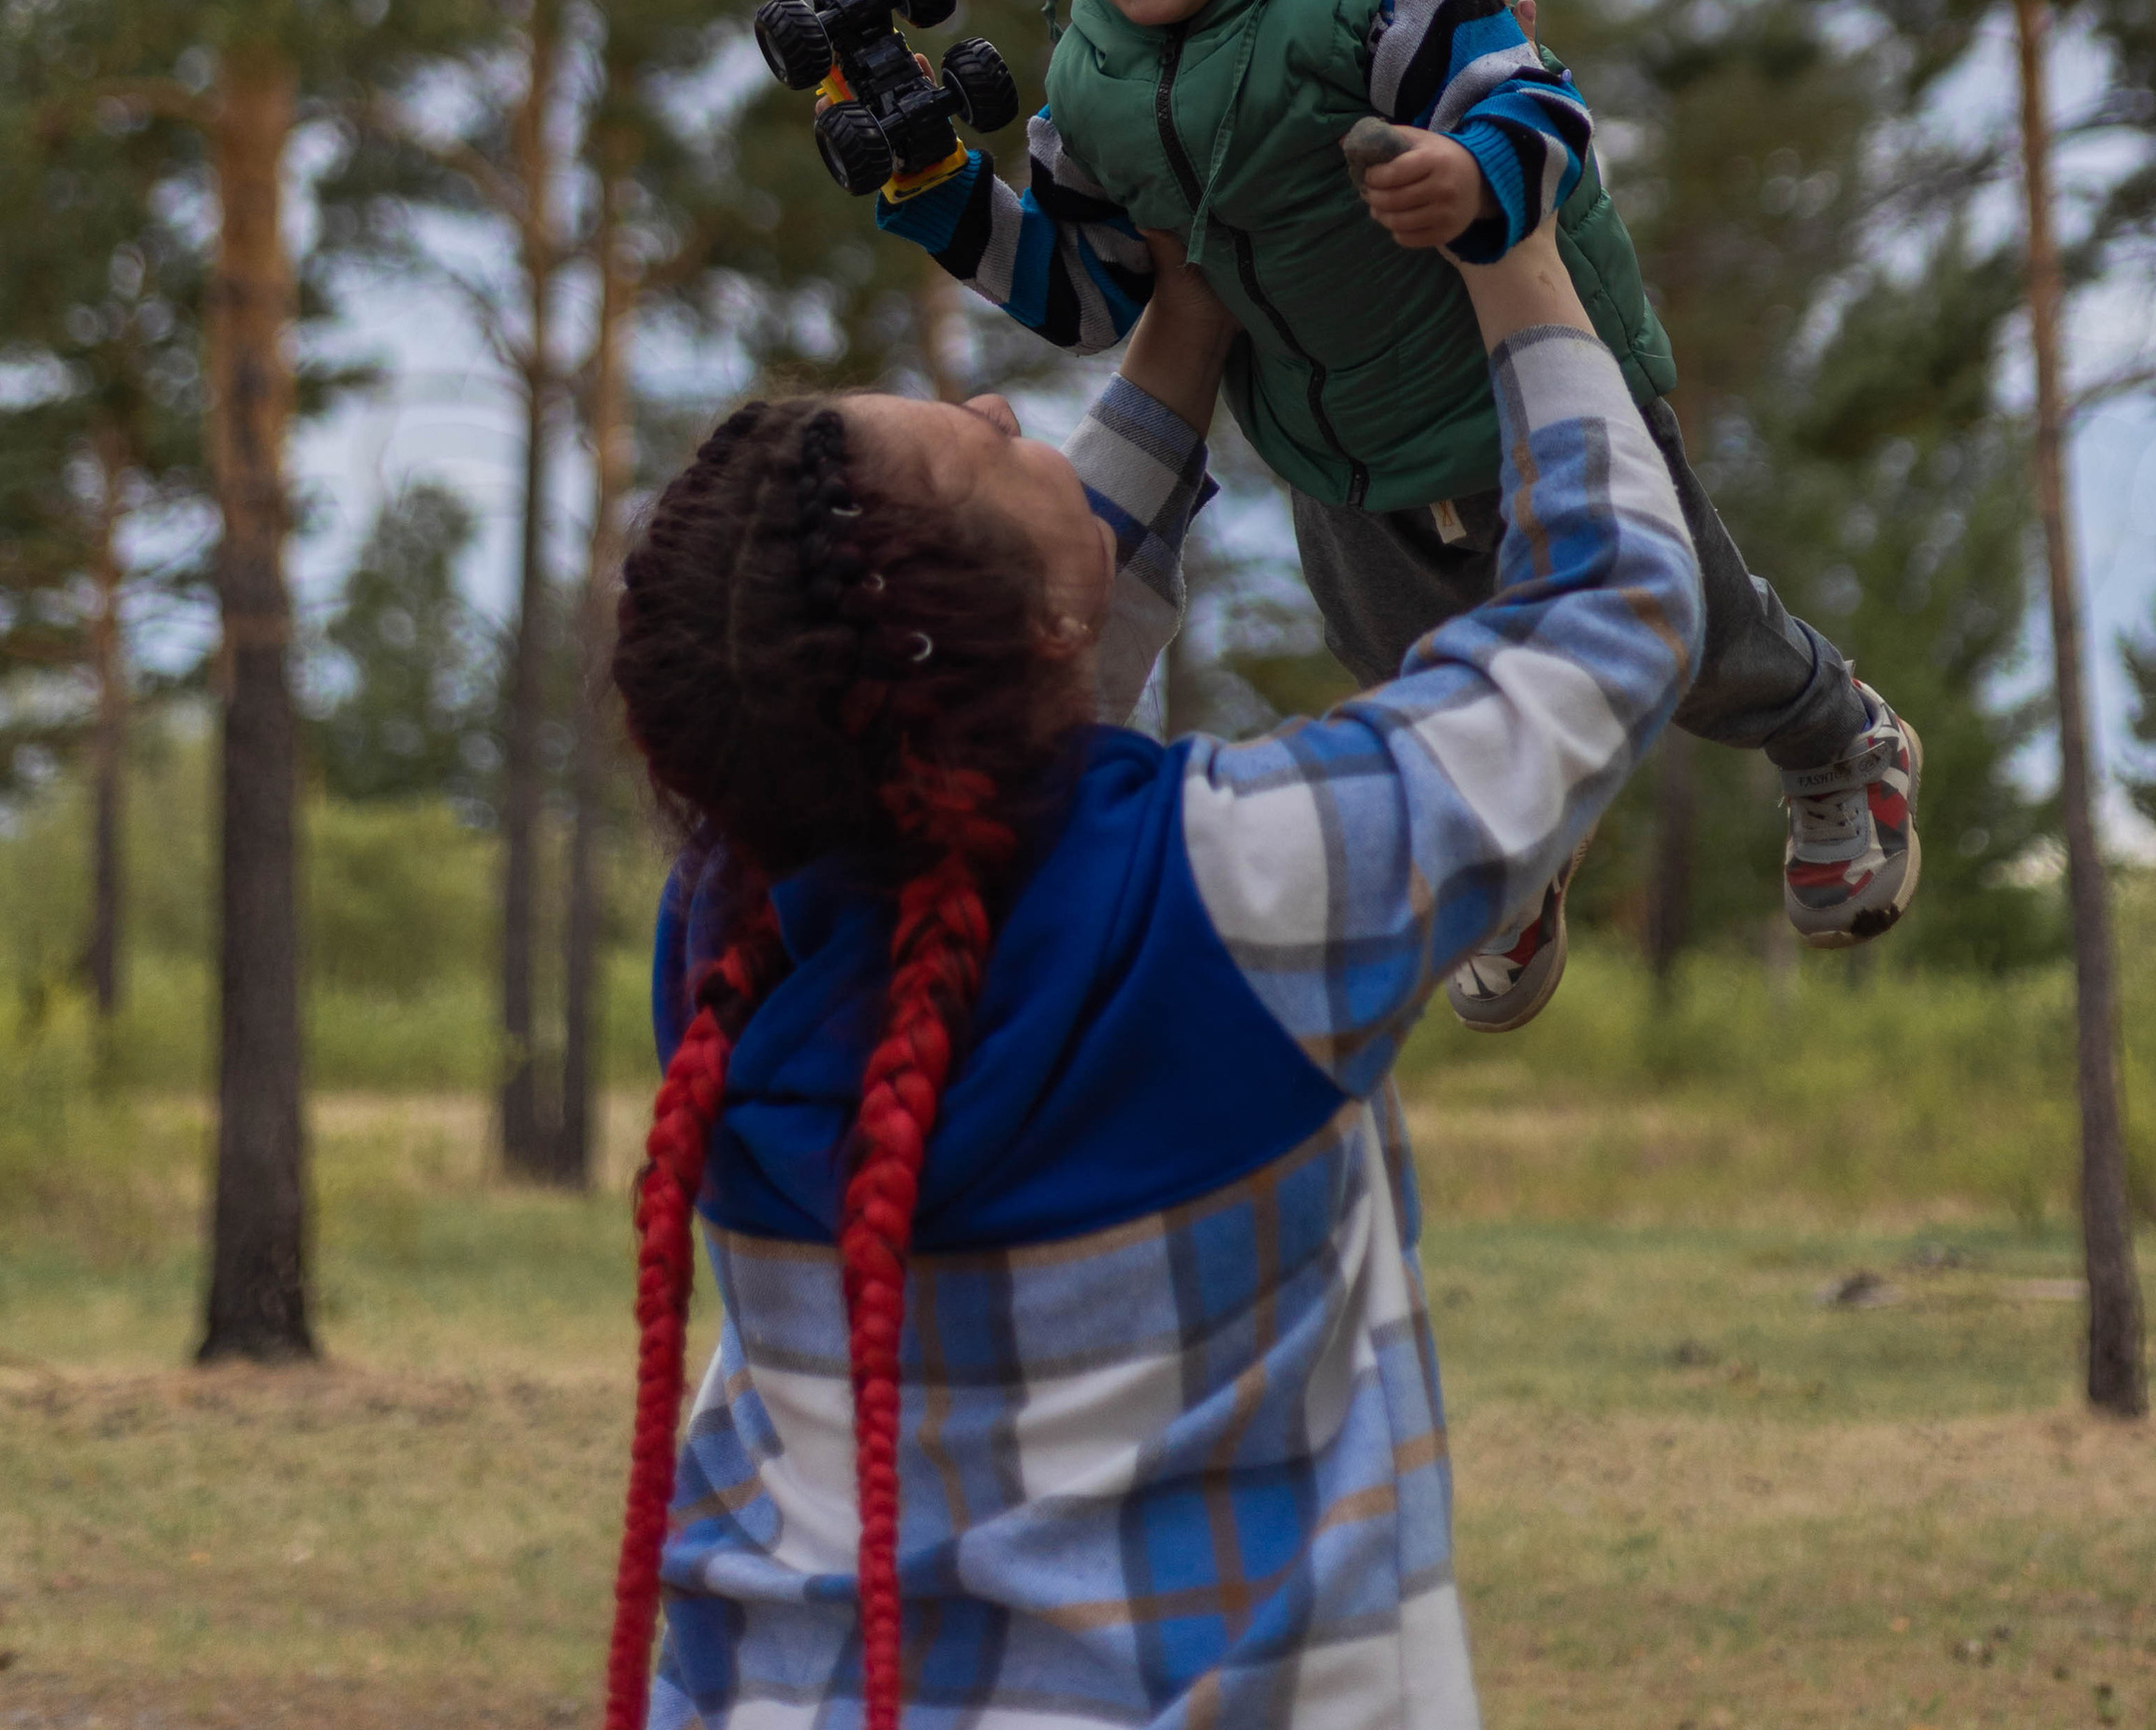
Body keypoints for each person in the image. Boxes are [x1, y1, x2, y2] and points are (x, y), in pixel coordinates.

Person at [607, 215, 1699, 1730]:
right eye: (984, 448)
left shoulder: (728, 936)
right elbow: (1612, 620)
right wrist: (1511, 249)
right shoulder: (1244, 896)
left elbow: (1005, 670)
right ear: (1029, 628)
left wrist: (1186, 321)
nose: (1002, 409)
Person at [801, 0, 1919, 1025]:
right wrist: (942, 192)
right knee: (1412, 684)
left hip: (1531, 401)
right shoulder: (1087, 81)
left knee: (1690, 642)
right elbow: (1097, 295)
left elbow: (1541, 104)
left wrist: (1472, 174)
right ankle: (1511, 862)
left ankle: (1836, 739)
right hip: (1338, 460)